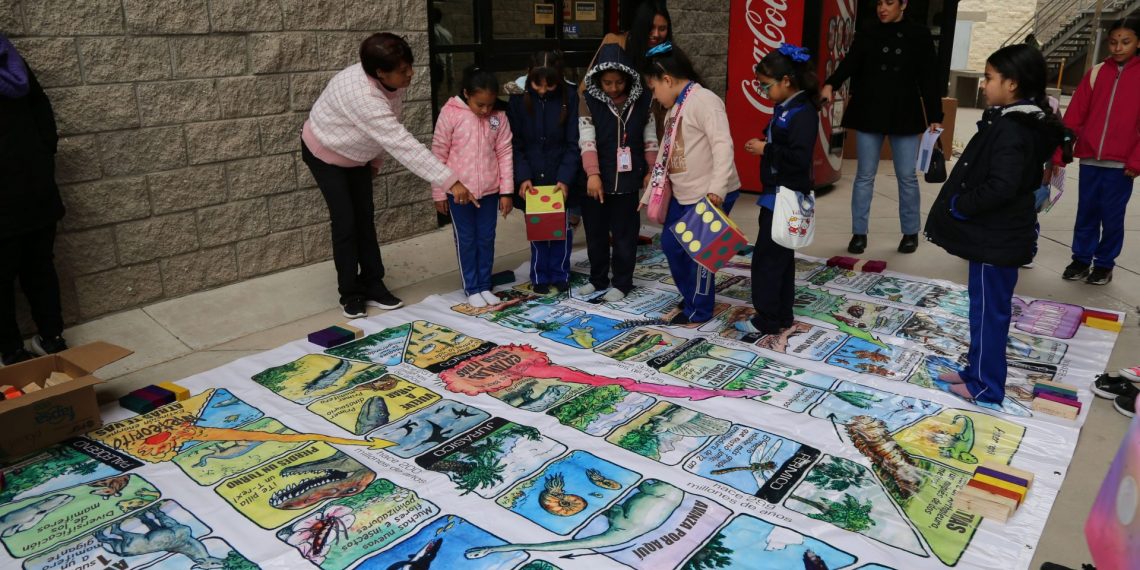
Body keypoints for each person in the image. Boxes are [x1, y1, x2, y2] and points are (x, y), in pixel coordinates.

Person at [924, 44, 1071, 405]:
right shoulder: (1011, 120)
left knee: (990, 314)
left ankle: (987, 386)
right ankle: (975, 371)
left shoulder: (1014, 127)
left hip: (998, 237)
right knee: (981, 309)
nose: (983, 84)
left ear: (1012, 83)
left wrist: (960, 206)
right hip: (992, 236)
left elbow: (1002, 186)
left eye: (989, 78)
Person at [303, 33, 472, 318]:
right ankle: (350, 293)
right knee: (345, 222)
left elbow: (388, 125)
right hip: (325, 153)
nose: (411, 74)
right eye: (403, 70)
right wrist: (450, 181)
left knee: (365, 217)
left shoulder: (389, 83)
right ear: (380, 72)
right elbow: (400, 142)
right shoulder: (363, 95)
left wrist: (375, 162)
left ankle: (373, 283)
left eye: (410, 66)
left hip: (358, 155)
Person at [821, 0, 943, 255]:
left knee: (907, 176)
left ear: (904, 4)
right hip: (870, 109)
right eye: (879, 3)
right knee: (864, 175)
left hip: (904, 112)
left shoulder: (919, 34)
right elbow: (851, 61)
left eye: (889, 3)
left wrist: (935, 115)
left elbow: (929, 77)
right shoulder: (869, 30)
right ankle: (859, 233)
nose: (882, 8)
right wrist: (831, 83)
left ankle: (910, 232)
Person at [641, 45, 739, 324]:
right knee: (672, 245)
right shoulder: (676, 107)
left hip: (709, 194)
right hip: (684, 194)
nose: (654, 95)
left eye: (653, 88)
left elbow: (722, 145)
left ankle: (699, 310)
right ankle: (692, 297)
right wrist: (649, 193)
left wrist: (716, 190)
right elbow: (665, 152)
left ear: (667, 79)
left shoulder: (704, 100)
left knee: (701, 256)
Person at [735, 45, 820, 335]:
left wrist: (766, 149)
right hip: (775, 193)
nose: (763, 91)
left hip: (786, 197)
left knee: (768, 261)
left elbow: (799, 158)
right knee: (779, 258)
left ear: (786, 81)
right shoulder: (786, 107)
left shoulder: (803, 112)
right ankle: (782, 314)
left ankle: (768, 318)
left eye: (765, 85)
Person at [0, 34, 68, 366]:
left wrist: (42, 155)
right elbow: (42, 112)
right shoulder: (10, 62)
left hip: (30, 188)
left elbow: (41, 110)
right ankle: (26, 346)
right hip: (25, 189)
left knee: (34, 267)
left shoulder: (11, 62)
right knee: (24, 270)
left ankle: (37, 341)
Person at [1058, 18, 1140, 286]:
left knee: (1112, 217)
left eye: (1125, 42)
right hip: (1090, 158)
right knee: (1086, 212)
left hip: (1121, 164)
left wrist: (1136, 161)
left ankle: (1104, 264)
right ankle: (1081, 260)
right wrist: (1063, 146)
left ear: (1138, 43)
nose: (1118, 47)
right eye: (1113, 42)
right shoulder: (1096, 72)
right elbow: (1075, 113)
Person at [577, 44, 658, 303]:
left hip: (627, 181)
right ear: (598, 80)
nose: (613, 88)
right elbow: (587, 140)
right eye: (607, 83)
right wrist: (592, 174)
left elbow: (650, 139)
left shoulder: (644, 101)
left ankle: (622, 282)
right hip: (596, 182)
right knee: (596, 233)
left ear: (629, 78)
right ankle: (598, 278)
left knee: (625, 235)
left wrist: (651, 170)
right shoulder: (588, 100)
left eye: (619, 82)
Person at [432, 66, 515, 309]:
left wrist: (506, 191)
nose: (485, 110)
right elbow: (438, 154)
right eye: (480, 105)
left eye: (490, 104)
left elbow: (504, 153)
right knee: (466, 239)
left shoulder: (498, 117)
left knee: (486, 238)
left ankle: (484, 284)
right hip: (459, 194)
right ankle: (472, 287)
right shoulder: (450, 113)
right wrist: (439, 192)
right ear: (466, 93)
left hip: (490, 192)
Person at [507, 51, 581, 295]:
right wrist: (523, 177)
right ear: (529, 77)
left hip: (559, 176)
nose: (543, 90)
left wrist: (565, 178)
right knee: (538, 230)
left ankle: (560, 274)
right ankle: (539, 275)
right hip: (532, 176)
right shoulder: (518, 99)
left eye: (549, 85)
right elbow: (515, 143)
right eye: (538, 84)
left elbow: (573, 143)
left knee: (561, 231)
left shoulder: (570, 96)